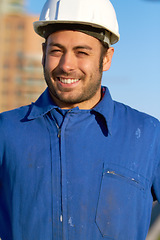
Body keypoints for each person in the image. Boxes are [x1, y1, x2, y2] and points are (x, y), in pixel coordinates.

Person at [0, 0, 160, 239]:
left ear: (106, 58)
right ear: (44, 54)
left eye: (81, 52)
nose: (66, 65)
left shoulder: (148, 134)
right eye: (56, 51)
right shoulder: (6, 130)